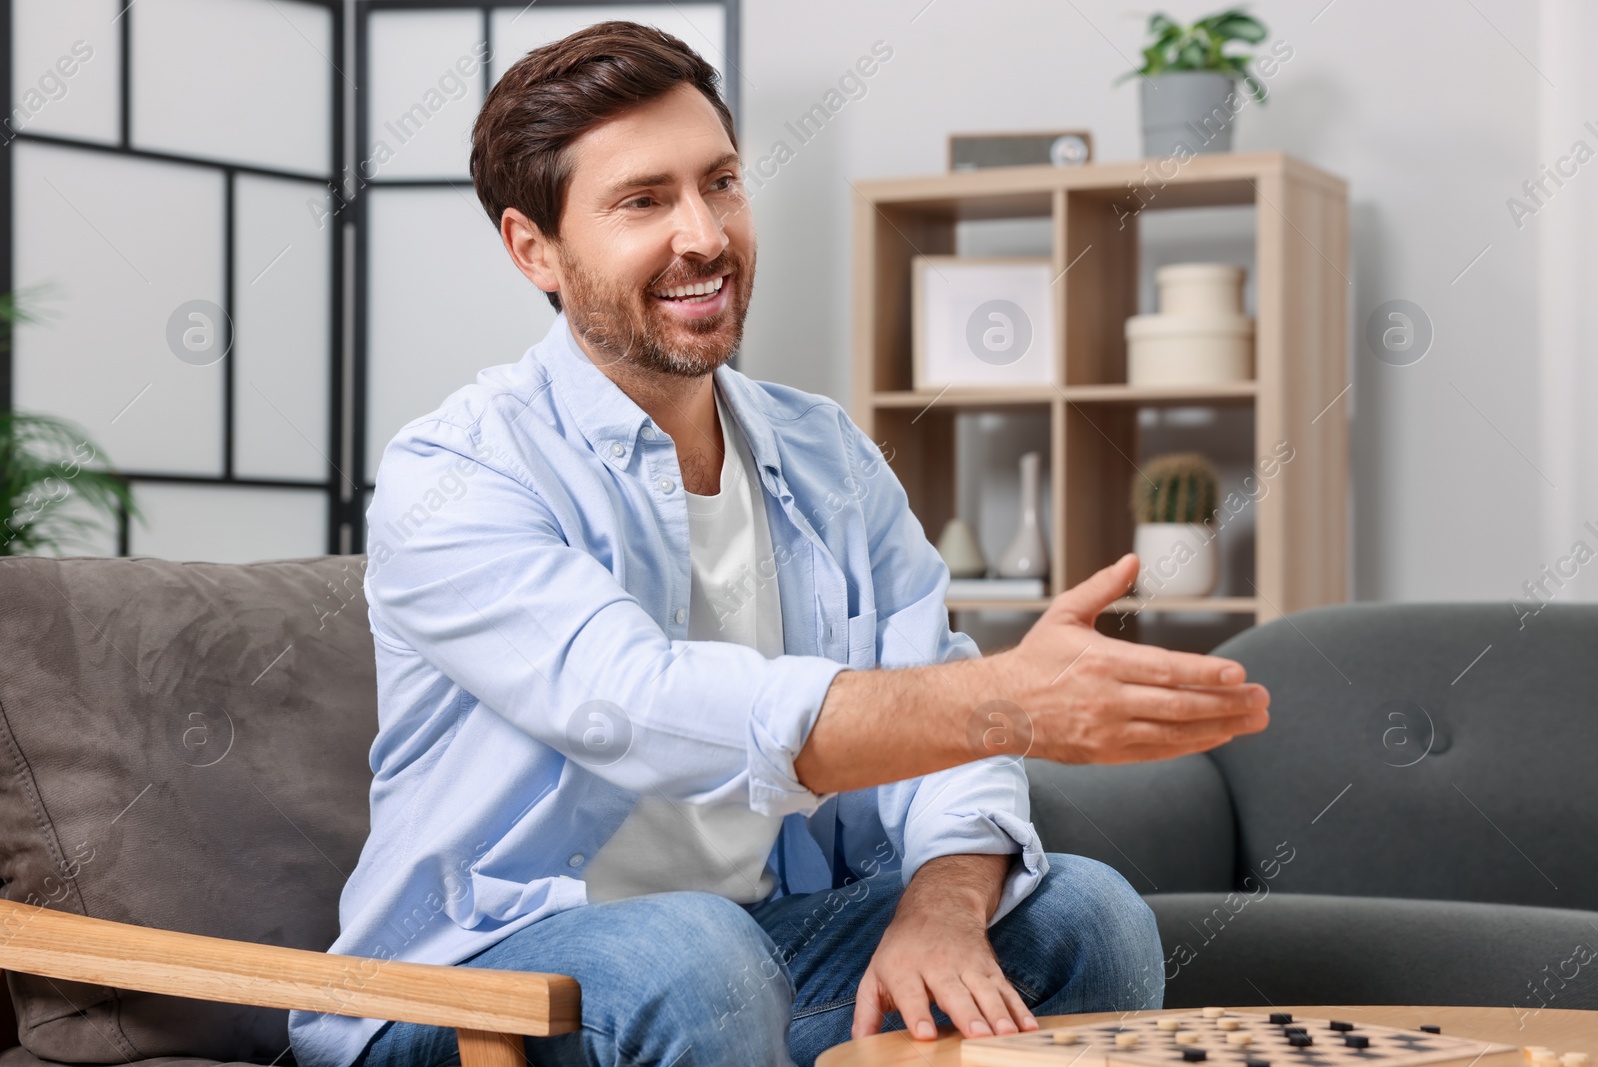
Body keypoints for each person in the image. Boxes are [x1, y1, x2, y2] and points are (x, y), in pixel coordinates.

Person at [286, 20, 1270, 1067]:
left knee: (1084, 913)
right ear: (534, 247)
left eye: (720, 182)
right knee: (695, 952)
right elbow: (644, 707)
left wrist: (942, 897)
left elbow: (928, 695)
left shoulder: (824, 451)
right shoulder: (458, 471)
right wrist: (1010, 698)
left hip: (750, 953)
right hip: (478, 984)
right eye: (643, 200)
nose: (705, 234)